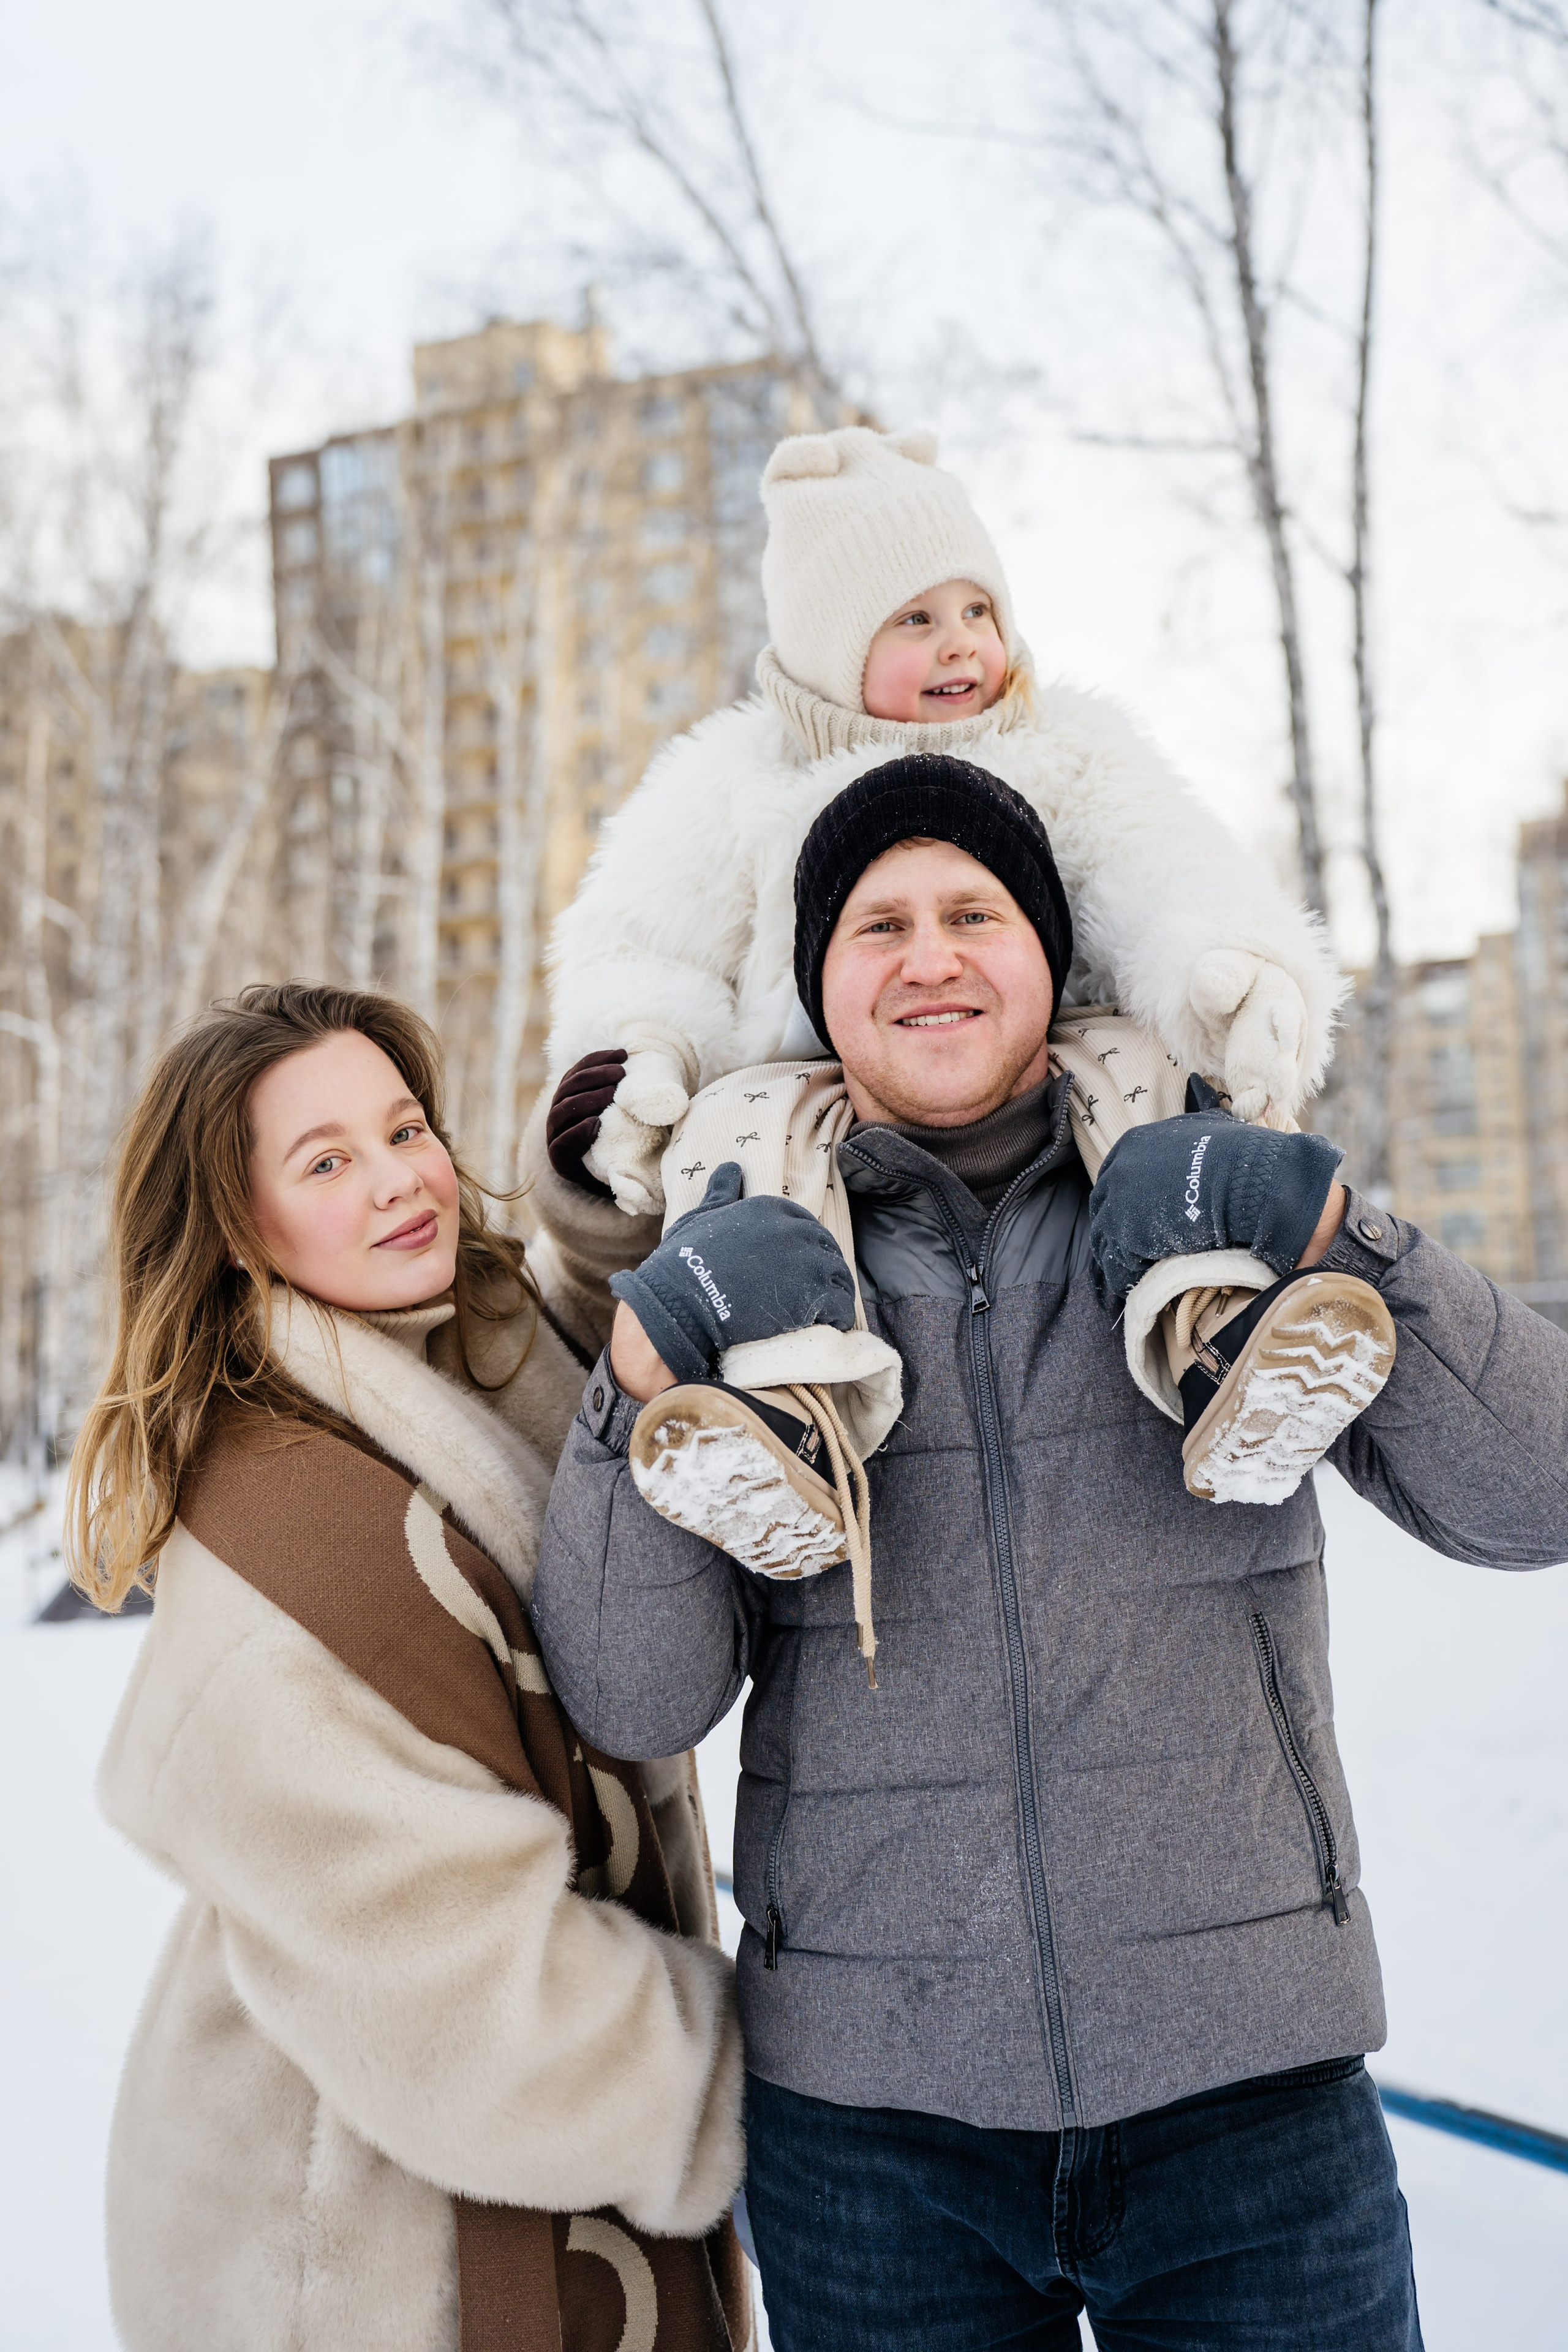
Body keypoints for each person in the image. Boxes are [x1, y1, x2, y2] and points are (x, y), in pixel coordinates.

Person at [528, 770, 1568, 2351]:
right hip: (876, 2145)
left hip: (1250, 2107)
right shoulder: (751, 1257)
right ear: (820, 983)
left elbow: (1535, 1489)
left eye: (974, 915)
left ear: (1049, 954)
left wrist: (1341, 1234)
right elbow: (634, 1687)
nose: (929, 955)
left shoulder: (1212, 1220)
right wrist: (646, 1374)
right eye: (880, 925)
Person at [70, 983, 749, 2352]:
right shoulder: (286, 1576)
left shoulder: (425, 1374)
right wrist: (798, 2083)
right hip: (344, 2261)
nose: (402, 1182)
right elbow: (486, 2025)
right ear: (233, 1230)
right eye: (328, 1162)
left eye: (406, 1129)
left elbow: (553, 1394)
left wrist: (599, 1203)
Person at [538, 423, 1342, 1222]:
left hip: (1050, 1117)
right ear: (830, 650)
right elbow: (640, 946)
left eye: (977, 611)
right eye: (915, 621)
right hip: (816, 1137)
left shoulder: (1064, 749)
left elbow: (1164, 869)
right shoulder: (736, 786)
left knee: (1149, 1089)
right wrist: (650, 1052)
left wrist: (1217, 966)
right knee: (742, 1142)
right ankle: (785, 1335)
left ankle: (1206, 1293)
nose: (959, 644)